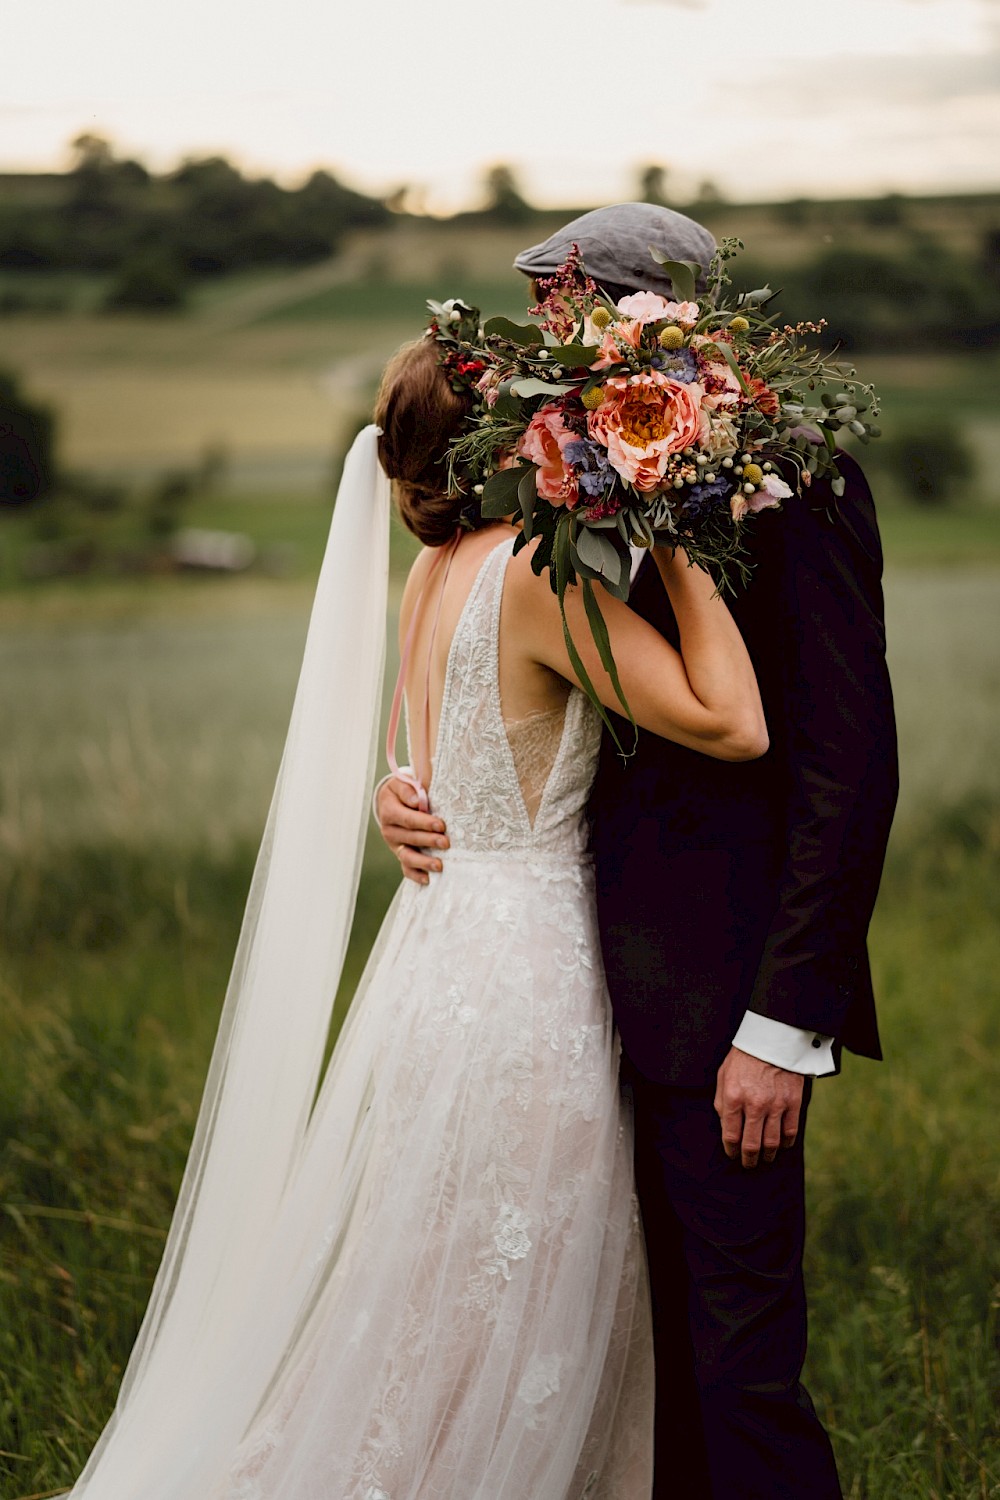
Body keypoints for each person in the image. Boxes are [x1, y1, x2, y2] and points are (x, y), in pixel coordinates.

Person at [62, 329, 769, 1496]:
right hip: (527, 979)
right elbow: (730, 721)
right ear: (513, 443)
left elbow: (442, 764)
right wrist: (675, 529)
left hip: (438, 957)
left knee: (432, 1286)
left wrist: (402, 794)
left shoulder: (431, 576)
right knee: (506, 1300)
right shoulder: (540, 579)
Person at [377, 203, 899, 1499]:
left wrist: (781, 1025)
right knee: (614, 1370)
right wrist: (415, 793)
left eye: (552, 299)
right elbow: (502, 686)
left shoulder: (792, 470)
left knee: (734, 1370)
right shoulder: (546, 475)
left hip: (712, 1003)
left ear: (618, 301)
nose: (538, 333)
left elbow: (848, 772)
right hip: (546, 988)